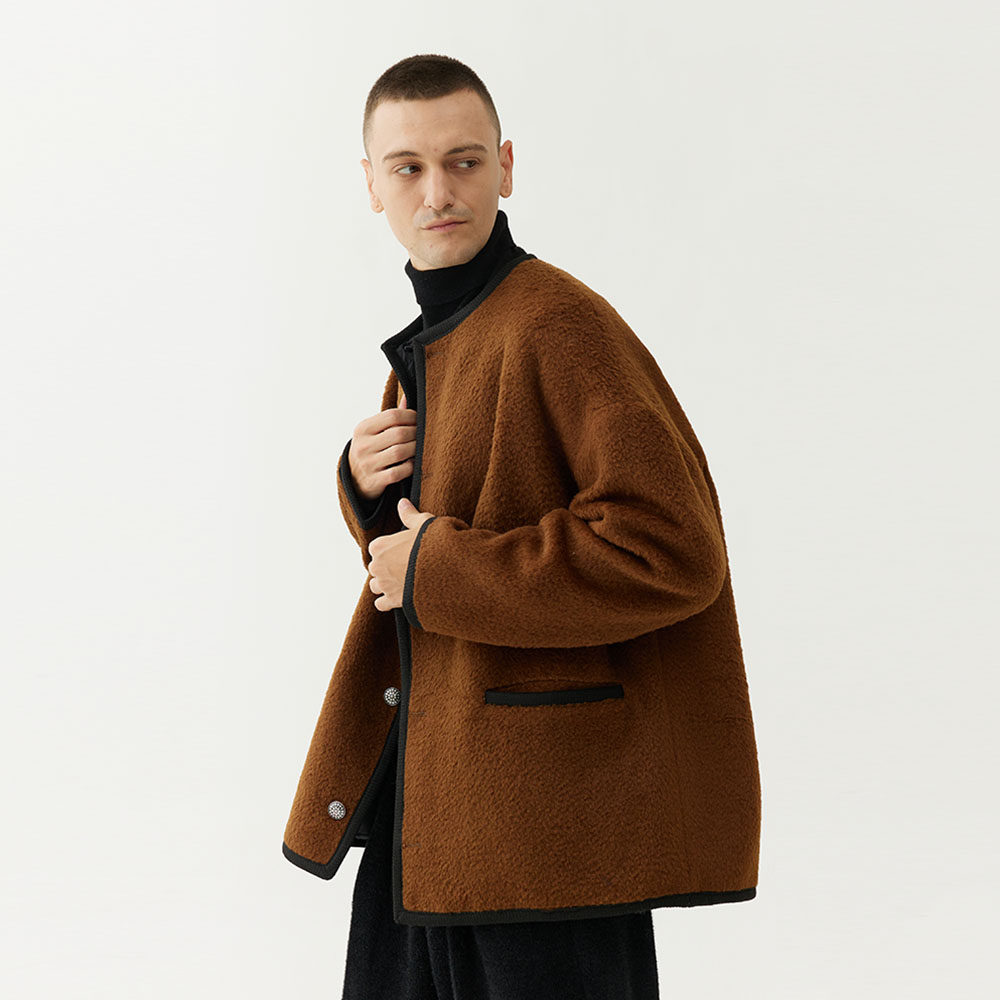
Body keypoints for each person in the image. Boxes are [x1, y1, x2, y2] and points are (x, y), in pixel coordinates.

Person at [281, 52, 761, 1000]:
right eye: (408, 167)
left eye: (463, 161)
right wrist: (368, 494)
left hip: (545, 838)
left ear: (505, 166)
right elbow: (432, 548)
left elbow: (672, 550)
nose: (438, 192)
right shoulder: (444, 338)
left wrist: (438, 568)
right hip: (430, 817)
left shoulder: (558, 325)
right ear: (371, 185)